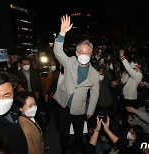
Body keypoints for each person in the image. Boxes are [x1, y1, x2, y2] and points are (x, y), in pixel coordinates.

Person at [53, 14, 100, 154]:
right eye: (81, 52)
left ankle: (79, 151)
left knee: (80, 135)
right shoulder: (70, 62)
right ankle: (64, 150)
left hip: (79, 109)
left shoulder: (94, 74)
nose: (84, 55)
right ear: (76, 52)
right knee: (64, 133)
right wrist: (62, 33)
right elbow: (58, 52)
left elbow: (95, 94)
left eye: (87, 53)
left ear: (91, 54)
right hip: (63, 105)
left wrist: (90, 110)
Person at [119, 50, 143, 129]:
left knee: (130, 116)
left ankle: (131, 130)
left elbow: (129, 68)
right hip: (124, 96)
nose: (134, 64)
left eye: (136, 63)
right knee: (123, 114)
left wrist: (122, 57)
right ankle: (123, 127)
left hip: (131, 98)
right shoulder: (130, 72)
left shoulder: (139, 75)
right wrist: (126, 74)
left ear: (139, 66)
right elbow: (123, 82)